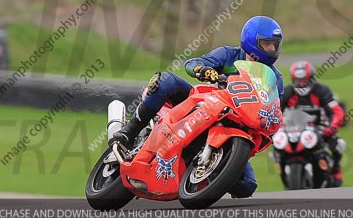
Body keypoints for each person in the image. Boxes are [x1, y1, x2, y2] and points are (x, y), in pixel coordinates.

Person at [110, 15, 284, 198]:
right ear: (251, 41)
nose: (272, 49)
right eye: (267, 44)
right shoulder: (229, 55)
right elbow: (192, 64)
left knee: (247, 186)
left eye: (275, 45)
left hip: (237, 124)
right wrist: (204, 70)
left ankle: (201, 175)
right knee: (166, 81)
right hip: (205, 104)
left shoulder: (274, 78)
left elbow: (274, 108)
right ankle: (130, 131)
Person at [279, 60, 345, 186]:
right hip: (294, 129)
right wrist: (275, 127)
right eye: (298, 80)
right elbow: (276, 111)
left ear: (311, 78)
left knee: (338, 145)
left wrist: (331, 127)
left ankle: (336, 169)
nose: (301, 83)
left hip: (320, 128)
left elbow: (336, 111)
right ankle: (282, 167)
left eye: (304, 80)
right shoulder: (287, 92)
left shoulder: (322, 90)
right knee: (278, 147)